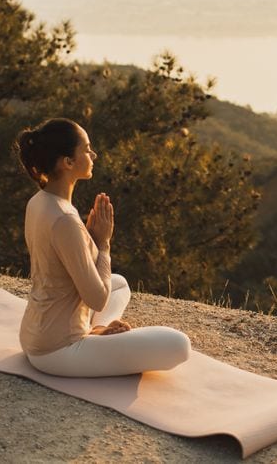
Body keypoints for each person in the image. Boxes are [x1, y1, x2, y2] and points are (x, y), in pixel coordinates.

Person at [12, 117, 191, 377]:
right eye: (86, 149)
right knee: (178, 345)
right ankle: (97, 336)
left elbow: (73, 272)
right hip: (59, 350)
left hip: (33, 335)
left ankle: (99, 329)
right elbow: (96, 298)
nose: (93, 154)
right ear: (68, 162)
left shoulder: (40, 201)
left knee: (119, 283)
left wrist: (91, 240)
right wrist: (103, 244)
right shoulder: (65, 219)